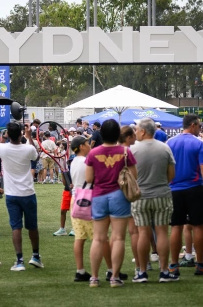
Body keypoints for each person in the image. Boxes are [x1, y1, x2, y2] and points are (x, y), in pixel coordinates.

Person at [84, 119, 137, 288]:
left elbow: (89, 179)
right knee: (119, 238)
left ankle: (94, 278)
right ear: (118, 135)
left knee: (98, 239)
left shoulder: (93, 153)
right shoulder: (126, 152)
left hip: (99, 196)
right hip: (119, 196)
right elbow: (134, 177)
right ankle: (114, 277)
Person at [167, 114, 203, 278]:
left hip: (174, 189)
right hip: (194, 188)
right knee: (198, 225)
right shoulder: (198, 143)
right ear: (193, 125)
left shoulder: (170, 142)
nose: (200, 129)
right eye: (199, 126)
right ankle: (200, 264)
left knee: (176, 226)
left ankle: (173, 265)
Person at [131, 117, 176, 282]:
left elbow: (129, 176)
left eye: (136, 129)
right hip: (162, 194)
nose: (135, 132)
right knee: (162, 232)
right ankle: (164, 271)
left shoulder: (133, 150)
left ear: (143, 131)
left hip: (140, 196)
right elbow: (171, 175)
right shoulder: (165, 148)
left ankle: (142, 272)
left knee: (143, 233)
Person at [0, 122, 44, 272]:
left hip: (11, 194)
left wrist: (3, 138)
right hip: (28, 193)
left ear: (7, 134)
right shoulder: (28, 148)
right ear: (21, 134)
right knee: (32, 226)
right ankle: (35, 256)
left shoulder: (1, 148)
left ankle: (19, 260)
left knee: (16, 227)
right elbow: (35, 155)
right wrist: (29, 136)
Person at [69, 135, 102, 282]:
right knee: (99, 238)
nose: (90, 145)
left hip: (76, 200)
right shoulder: (87, 161)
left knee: (79, 237)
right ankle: (110, 271)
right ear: (82, 146)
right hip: (88, 199)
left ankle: (80, 270)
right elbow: (93, 179)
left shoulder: (74, 161)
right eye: (87, 143)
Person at [119, 126, 141, 279]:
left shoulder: (110, 150)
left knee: (116, 235)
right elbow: (135, 175)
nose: (135, 137)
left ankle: (113, 270)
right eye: (133, 135)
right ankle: (139, 266)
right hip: (128, 193)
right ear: (128, 137)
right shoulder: (127, 152)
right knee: (134, 232)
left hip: (112, 194)